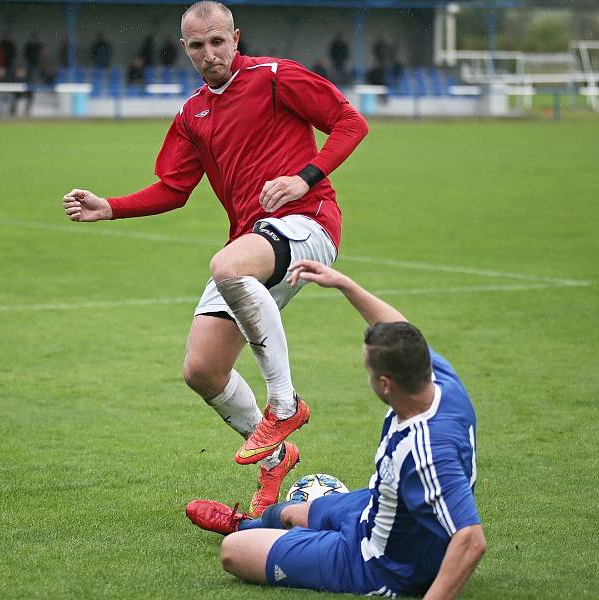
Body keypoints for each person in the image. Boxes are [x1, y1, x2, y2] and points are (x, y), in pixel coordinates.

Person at [61, 1, 368, 517]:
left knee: (227, 265)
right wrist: (110, 207)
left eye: (218, 42)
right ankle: (274, 456)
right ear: (186, 49)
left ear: (235, 37)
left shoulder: (276, 77)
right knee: (202, 370)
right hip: (254, 241)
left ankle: (286, 406)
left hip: (308, 221)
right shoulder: (192, 114)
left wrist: (304, 177)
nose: (210, 54)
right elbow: (174, 188)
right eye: (198, 46)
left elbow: (349, 123)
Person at [186, 260, 486, 598]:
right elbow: (401, 330)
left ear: (385, 384)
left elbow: (470, 540)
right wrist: (345, 284)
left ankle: (286, 541)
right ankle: (249, 524)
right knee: (286, 513)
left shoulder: (427, 451)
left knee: (234, 552)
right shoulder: (439, 383)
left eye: (368, 370)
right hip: (378, 507)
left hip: (378, 562)